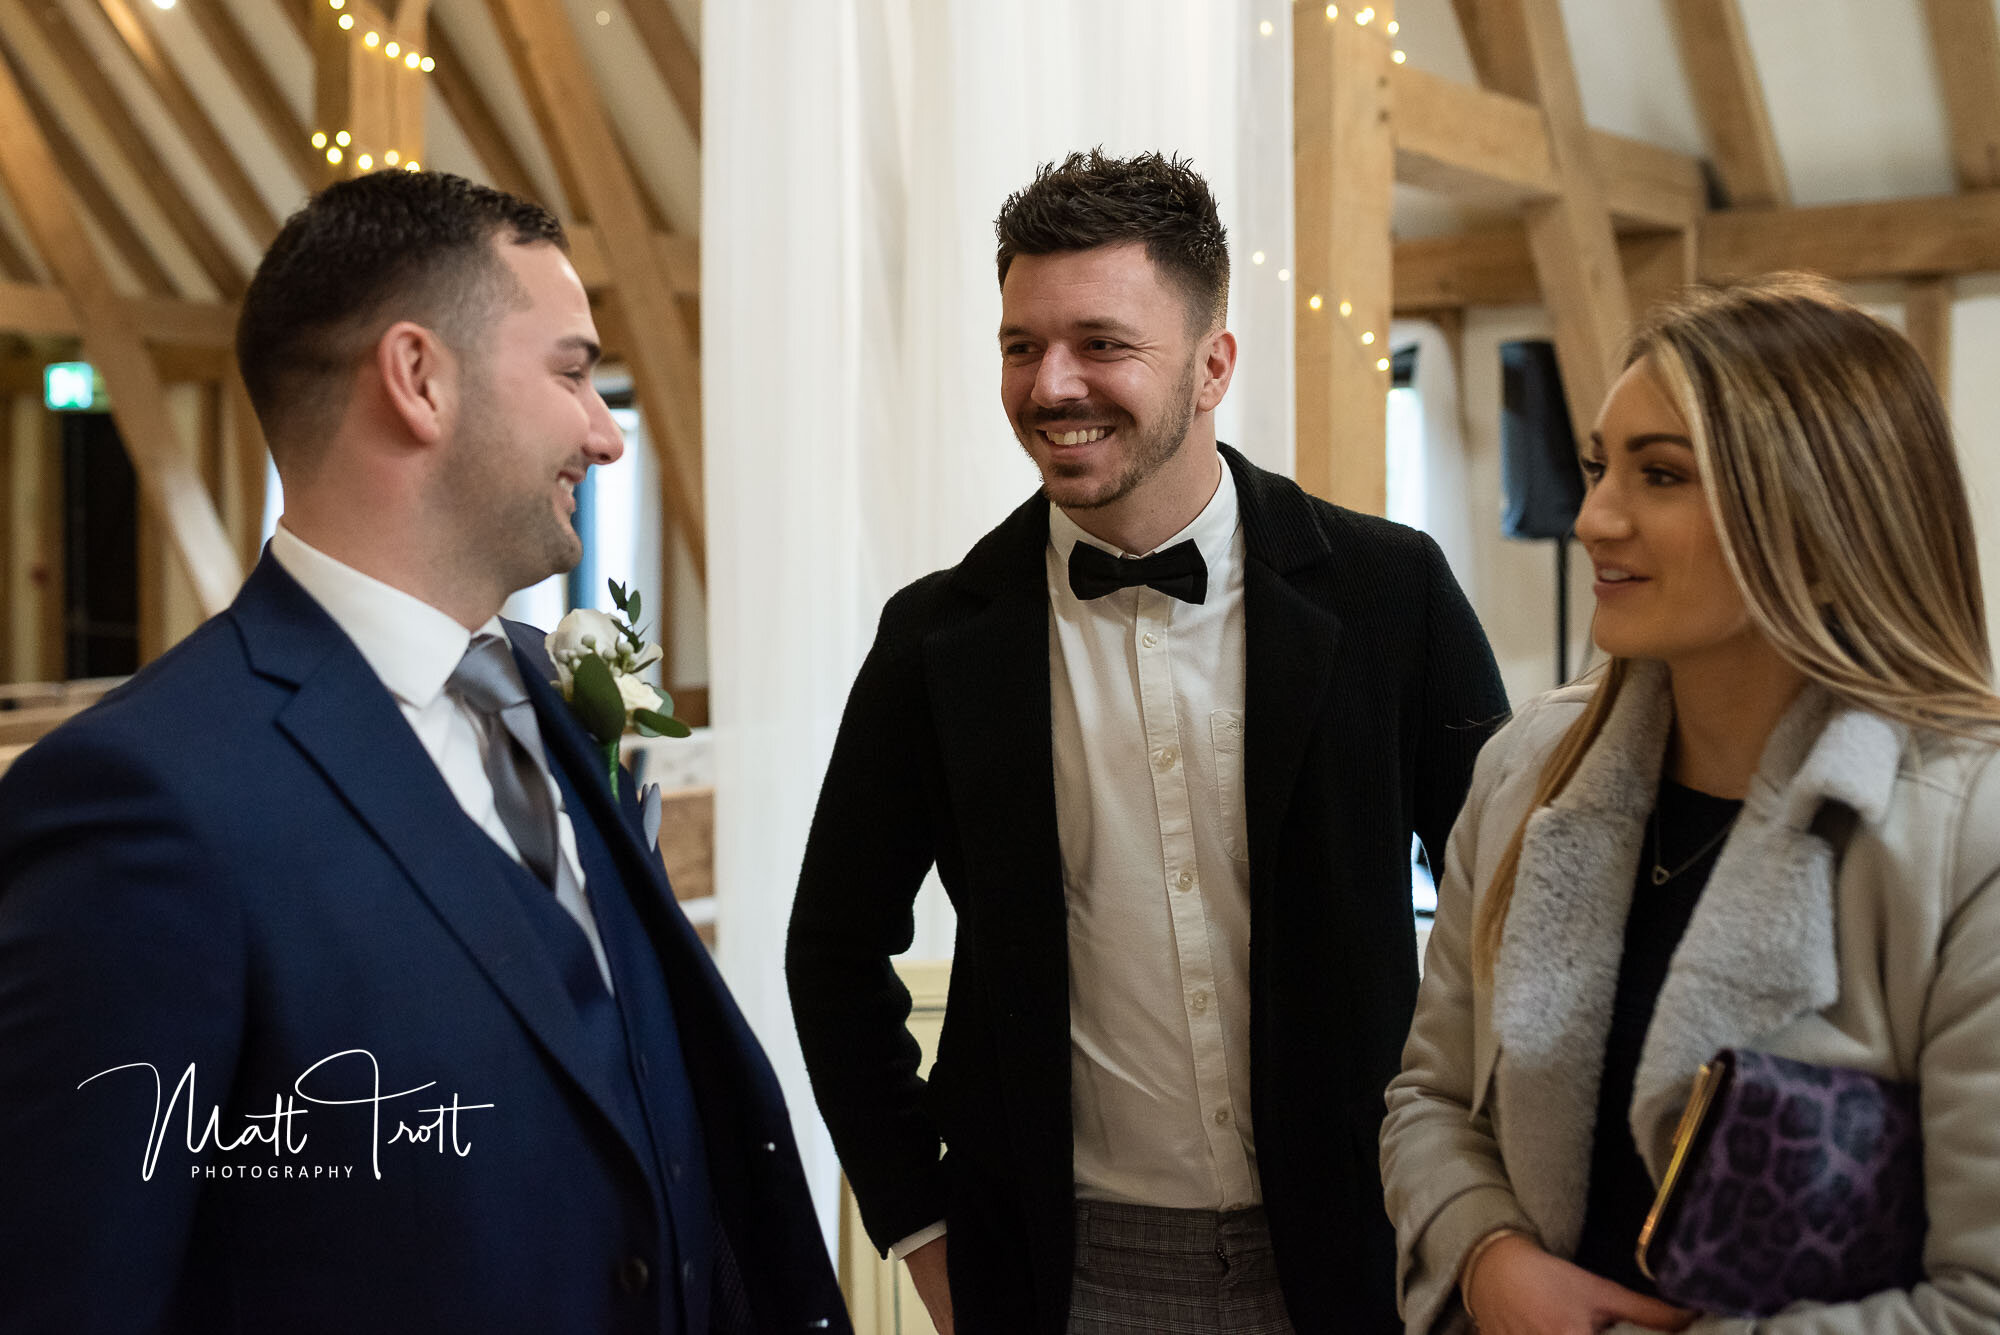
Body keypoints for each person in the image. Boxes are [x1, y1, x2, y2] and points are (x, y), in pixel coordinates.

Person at [0, 171, 849, 1335]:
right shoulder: (143, 801)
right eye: (568, 370)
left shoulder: (555, 695)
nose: (603, 432)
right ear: (417, 378)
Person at [788, 149, 1506, 1335]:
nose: (1050, 383)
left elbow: (1512, 922)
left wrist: (1486, 1204)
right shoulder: (934, 637)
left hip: (1372, 1239)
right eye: (1021, 345)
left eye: (1101, 343)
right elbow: (831, 950)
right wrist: (920, 1226)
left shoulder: (1391, 592)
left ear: (1212, 364)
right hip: (1064, 1270)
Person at [1381, 275, 2000, 1335]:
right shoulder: (1529, 768)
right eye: (1595, 467)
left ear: (1820, 519)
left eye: (1659, 474)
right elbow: (1429, 1101)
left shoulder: (1965, 828)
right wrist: (1488, 1257)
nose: (1591, 518)